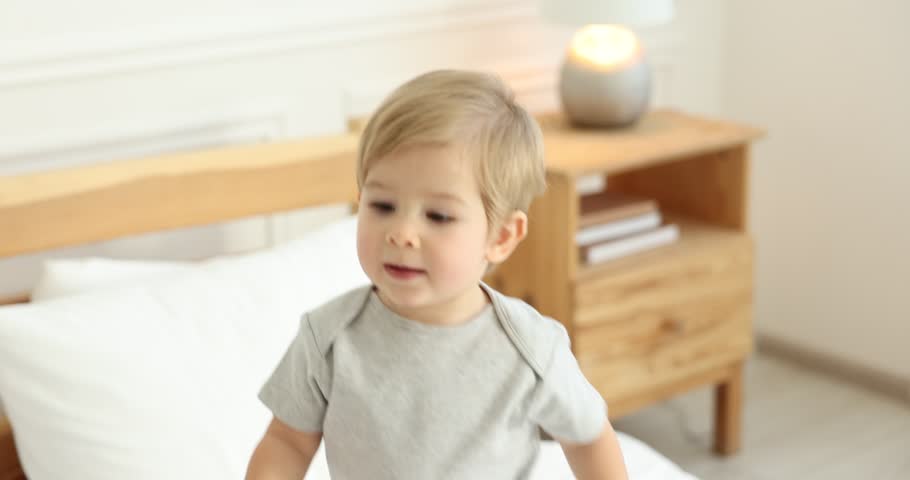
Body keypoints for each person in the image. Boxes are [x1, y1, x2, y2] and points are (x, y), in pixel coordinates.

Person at [246, 69, 629, 480]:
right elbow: (288, 441)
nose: (402, 233)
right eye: (382, 206)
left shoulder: (530, 349)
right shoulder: (329, 339)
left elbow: (588, 438)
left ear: (500, 236)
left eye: (438, 215)